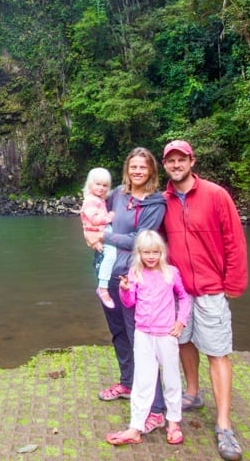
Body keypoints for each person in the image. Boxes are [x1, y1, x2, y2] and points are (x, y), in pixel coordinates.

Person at [161, 140, 249, 461]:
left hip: (212, 288)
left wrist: (233, 283)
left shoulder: (215, 195)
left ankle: (224, 425)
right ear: (165, 165)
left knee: (217, 351)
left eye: (181, 159)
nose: (176, 164)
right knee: (183, 341)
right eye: (170, 160)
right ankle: (193, 394)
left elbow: (234, 240)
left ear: (192, 161)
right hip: (179, 290)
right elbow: (150, 241)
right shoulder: (164, 201)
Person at [84, 146, 168, 434]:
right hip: (108, 275)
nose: (137, 171)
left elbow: (141, 240)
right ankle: (128, 383)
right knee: (119, 332)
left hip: (135, 278)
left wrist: (105, 235)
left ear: (152, 171)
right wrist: (88, 233)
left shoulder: (156, 203)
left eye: (143, 167)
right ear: (127, 169)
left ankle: (156, 408)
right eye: (133, 167)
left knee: (142, 340)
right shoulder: (117, 194)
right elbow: (92, 209)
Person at [106, 229, 190, 446]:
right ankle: (136, 426)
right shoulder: (135, 273)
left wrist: (180, 321)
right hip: (143, 333)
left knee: (171, 378)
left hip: (166, 334)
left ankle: (173, 421)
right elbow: (129, 303)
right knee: (143, 380)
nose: (151, 257)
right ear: (139, 253)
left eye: (155, 252)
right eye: (146, 252)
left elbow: (184, 297)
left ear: (162, 252)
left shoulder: (171, 272)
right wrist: (124, 290)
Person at [80, 167, 116, 308]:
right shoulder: (90, 201)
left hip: (100, 231)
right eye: (98, 184)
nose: (101, 188)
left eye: (105, 185)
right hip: (97, 231)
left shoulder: (98, 199)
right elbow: (94, 219)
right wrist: (109, 217)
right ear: (90, 184)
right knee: (111, 255)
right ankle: (102, 287)